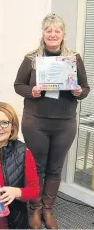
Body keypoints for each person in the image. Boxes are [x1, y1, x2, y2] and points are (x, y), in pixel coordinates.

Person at [14, 13, 90, 229]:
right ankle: (35, 210)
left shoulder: (73, 58)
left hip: (64, 123)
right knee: (36, 166)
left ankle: (48, 209)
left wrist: (78, 91)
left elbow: (85, 88)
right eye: (49, 31)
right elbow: (18, 85)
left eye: (57, 31)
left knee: (55, 168)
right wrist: (33, 91)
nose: (53, 34)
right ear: (43, 34)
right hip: (36, 121)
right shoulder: (31, 58)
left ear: (63, 34)